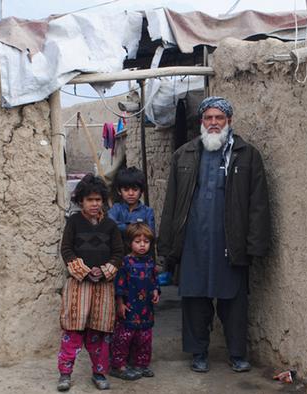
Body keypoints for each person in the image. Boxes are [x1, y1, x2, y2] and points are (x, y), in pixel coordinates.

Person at [157, 96, 270, 374]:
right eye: (208, 118)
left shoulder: (247, 155)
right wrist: (168, 245)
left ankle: (236, 354)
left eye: (219, 118)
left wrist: (255, 245)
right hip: (194, 241)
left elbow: (258, 204)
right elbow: (171, 203)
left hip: (230, 241)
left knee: (234, 301)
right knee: (194, 299)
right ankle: (198, 353)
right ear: (201, 122)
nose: (214, 123)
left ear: (229, 121)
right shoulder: (183, 154)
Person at [56, 174, 124, 392]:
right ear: (81, 202)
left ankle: (99, 373)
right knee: (73, 332)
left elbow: (118, 253)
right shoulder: (74, 223)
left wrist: (104, 271)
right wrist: (84, 271)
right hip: (79, 286)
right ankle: (65, 374)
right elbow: (66, 249)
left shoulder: (111, 226)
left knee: (99, 334)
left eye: (98, 200)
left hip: (103, 287)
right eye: (89, 200)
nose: (94, 204)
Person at [110, 223, 161, 380]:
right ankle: (119, 365)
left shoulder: (150, 262)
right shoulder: (125, 263)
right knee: (124, 337)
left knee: (144, 338)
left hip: (145, 309)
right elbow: (119, 286)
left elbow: (154, 281)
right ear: (129, 243)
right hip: (129, 308)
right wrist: (120, 303)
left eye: (146, 242)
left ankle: (140, 364)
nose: (142, 245)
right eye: (138, 241)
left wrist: (155, 291)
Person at [108, 166, 156, 238]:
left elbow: (150, 234)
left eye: (135, 189)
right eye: (126, 190)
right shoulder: (115, 209)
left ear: (141, 191)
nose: (131, 193)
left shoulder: (147, 212)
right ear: (119, 191)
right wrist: (135, 226)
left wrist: (123, 226)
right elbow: (110, 226)